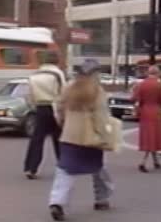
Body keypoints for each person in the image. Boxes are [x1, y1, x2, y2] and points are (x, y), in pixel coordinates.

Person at [48, 59, 114, 221]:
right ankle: (101, 199)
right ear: (94, 73)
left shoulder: (69, 87)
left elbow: (59, 108)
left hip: (70, 135)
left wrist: (64, 124)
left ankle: (57, 202)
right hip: (91, 136)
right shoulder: (97, 91)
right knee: (98, 168)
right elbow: (101, 116)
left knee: (65, 170)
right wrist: (106, 135)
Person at [23, 50, 66, 180]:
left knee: (37, 139)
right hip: (54, 107)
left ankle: (31, 167)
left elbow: (29, 95)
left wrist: (34, 105)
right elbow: (63, 92)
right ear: (56, 60)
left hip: (40, 108)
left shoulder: (34, 75)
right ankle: (64, 165)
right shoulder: (58, 74)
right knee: (59, 138)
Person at [133, 66, 161, 172]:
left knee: (149, 136)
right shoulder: (158, 85)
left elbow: (134, 98)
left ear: (148, 73)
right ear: (157, 73)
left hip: (145, 112)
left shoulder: (141, 84)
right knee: (153, 137)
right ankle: (143, 162)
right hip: (156, 112)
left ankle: (156, 161)